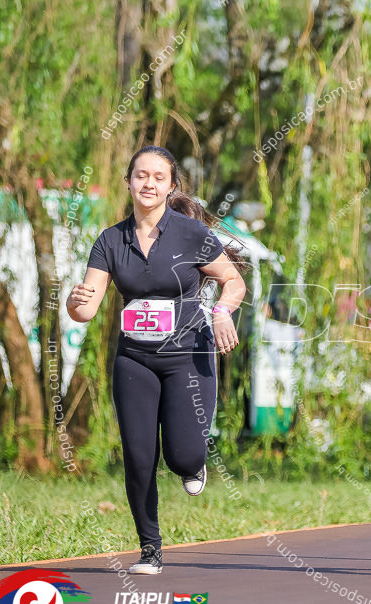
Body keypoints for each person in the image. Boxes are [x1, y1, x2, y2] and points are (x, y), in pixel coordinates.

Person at [67, 146, 247, 575]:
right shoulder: (111, 240)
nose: (148, 183)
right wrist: (76, 303)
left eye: (158, 177)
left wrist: (221, 311)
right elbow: (86, 309)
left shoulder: (190, 233)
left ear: (170, 186)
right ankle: (150, 548)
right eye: (140, 176)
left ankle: (193, 460)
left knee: (182, 457)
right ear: (128, 182)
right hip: (135, 359)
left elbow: (232, 280)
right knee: (139, 455)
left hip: (189, 356)